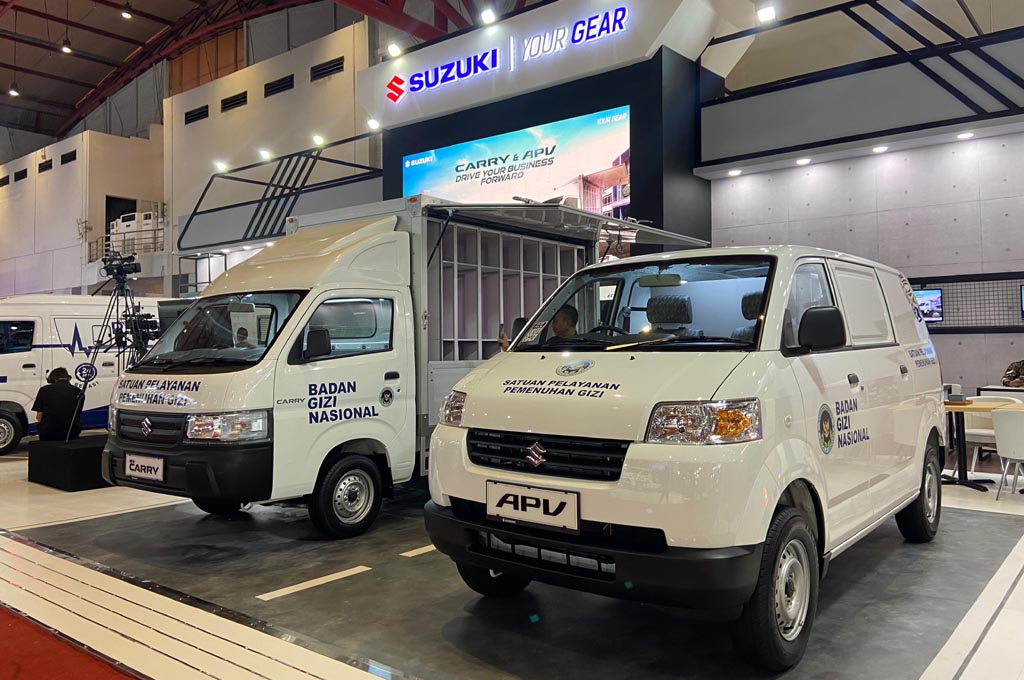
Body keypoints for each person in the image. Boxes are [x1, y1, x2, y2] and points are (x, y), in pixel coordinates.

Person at [32, 367, 83, 442]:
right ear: (68, 378)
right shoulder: (78, 391)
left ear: (52, 379)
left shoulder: (44, 390)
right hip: (72, 434)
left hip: (48, 435)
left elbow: (39, 417)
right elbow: (77, 414)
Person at [498, 305, 578, 351]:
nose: (552, 326)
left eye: (555, 322)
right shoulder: (551, 343)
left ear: (568, 324)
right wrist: (508, 348)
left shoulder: (580, 346)